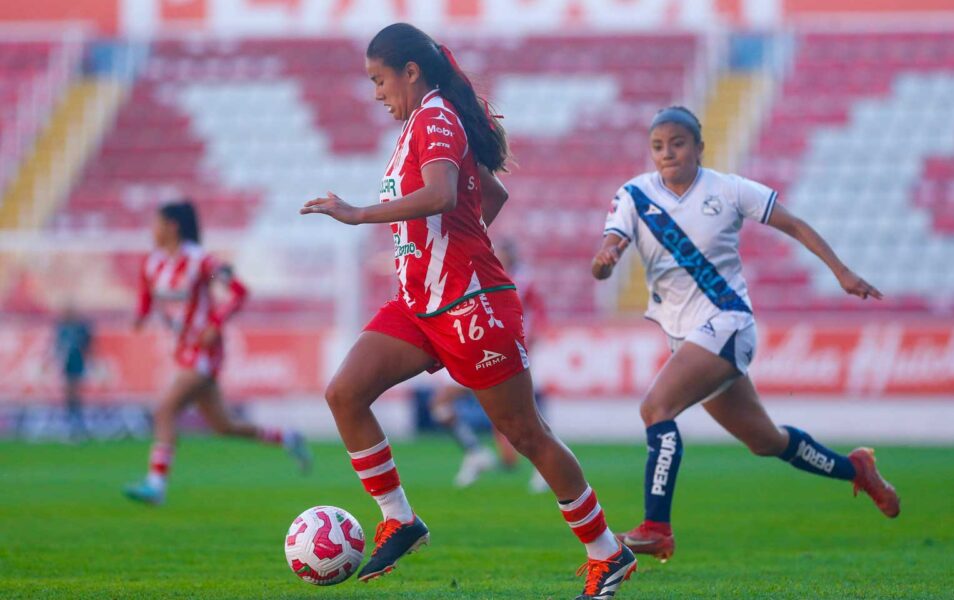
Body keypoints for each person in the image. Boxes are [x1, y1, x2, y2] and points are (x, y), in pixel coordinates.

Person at [299, 23, 635, 599]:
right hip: (421, 304)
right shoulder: (420, 124)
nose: (376, 92)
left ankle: (608, 552)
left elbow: (443, 196)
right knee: (345, 393)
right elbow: (490, 196)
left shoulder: (433, 118)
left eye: (380, 80)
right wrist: (449, 249)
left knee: (525, 434)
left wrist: (358, 216)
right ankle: (399, 518)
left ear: (411, 71)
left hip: (470, 305)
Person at [592, 106, 900, 563]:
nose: (667, 153)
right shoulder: (635, 195)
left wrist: (842, 271)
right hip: (689, 337)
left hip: (729, 323)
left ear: (699, 146)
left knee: (656, 408)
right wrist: (607, 256)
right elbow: (612, 241)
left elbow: (792, 223)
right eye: (658, 146)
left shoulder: (729, 189)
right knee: (765, 441)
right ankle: (856, 469)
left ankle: (657, 526)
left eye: (677, 143)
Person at [124, 200, 311, 506]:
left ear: (172, 226)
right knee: (224, 426)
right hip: (182, 348)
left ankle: (156, 484)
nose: (152, 230)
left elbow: (239, 291)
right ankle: (288, 437)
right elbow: (145, 299)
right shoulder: (152, 263)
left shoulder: (201, 261)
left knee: (165, 410)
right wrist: (139, 317)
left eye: (156, 223)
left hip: (205, 349)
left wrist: (215, 323)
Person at [427, 239, 549, 491]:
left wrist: (525, 344)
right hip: (476, 349)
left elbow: (539, 317)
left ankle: (545, 467)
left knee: (519, 417)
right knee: (441, 402)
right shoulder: (482, 275)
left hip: (506, 353)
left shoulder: (523, 282)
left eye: (502, 254)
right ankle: (475, 453)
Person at [54, 303, 92, 441]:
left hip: (77, 364)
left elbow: (87, 344)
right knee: (69, 394)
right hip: (67, 365)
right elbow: (58, 347)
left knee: (75, 393)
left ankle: (77, 424)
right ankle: (71, 423)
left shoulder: (80, 328)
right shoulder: (61, 328)